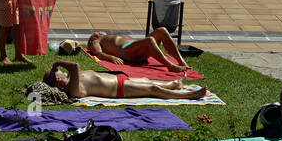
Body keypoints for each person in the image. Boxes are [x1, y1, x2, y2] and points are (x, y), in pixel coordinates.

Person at [45, 61, 208, 101]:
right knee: (153, 88)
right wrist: (57, 63)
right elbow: (75, 65)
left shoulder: (72, 79)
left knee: (146, 80)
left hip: (119, 80)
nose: (61, 72)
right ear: (58, 82)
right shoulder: (72, 88)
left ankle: (175, 85)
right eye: (59, 73)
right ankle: (188, 96)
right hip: (119, 89)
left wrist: (56, 68)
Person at [86, 28, 190, 72]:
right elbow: (98, 53)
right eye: (96, 33)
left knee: (162, 30)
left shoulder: (108, 36)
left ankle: (181, 61)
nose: (98, 33)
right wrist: (111, 57)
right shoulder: (96, 41)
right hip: (126, 51)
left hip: (138, 48)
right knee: (150, 40)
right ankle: (170, 66)